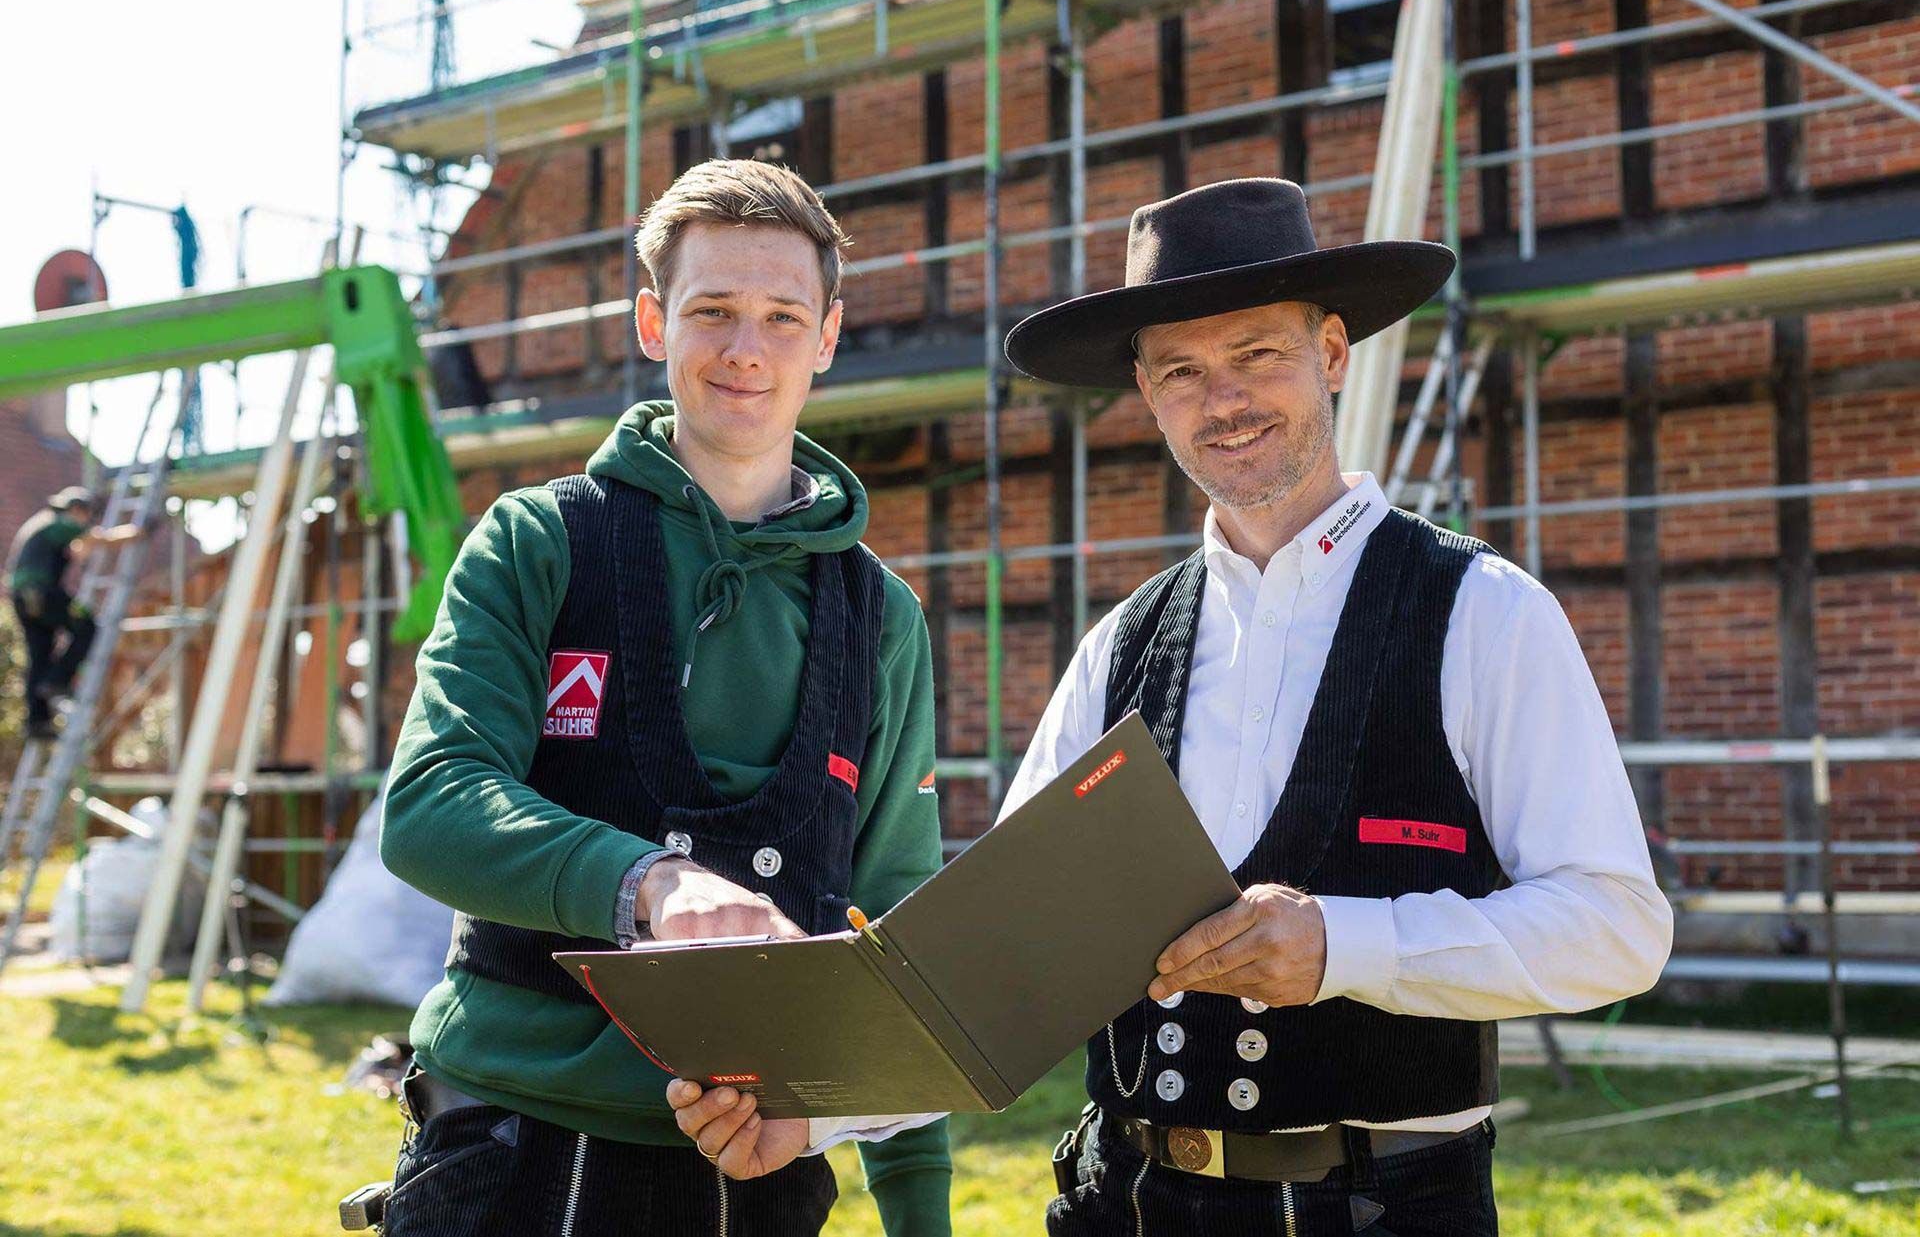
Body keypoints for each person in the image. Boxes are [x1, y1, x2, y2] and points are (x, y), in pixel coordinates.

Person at [999, 179, 1671, 1234]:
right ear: (1146, 391)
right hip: (1122, 1200)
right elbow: (1014, 935)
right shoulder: (1119, 643)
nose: (1223, 400)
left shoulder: (1484, 612)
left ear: (1332, 354)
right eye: (1182, 370)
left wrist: (1347, 948)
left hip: (1381, 1206)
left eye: (1257, 354)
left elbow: (1618, 931)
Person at [378, 159, 952, 1236]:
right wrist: (653, 884)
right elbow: (430, 806)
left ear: (826, 339)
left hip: (756, 1163)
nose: (747, 348)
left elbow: (899, 950)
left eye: (785, 316)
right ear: (653, 321)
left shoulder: (884, 621)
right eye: (713, 311)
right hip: (503, 1142)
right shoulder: (538, 541)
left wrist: (923, 1217)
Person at [6, 487, 141, 740]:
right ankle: (58, 680)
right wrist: (137, 533)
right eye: (85, 514)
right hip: (42, 594)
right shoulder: (59, 522)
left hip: (23, 599)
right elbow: (98, 538)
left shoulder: (40, 525)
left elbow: (78, 550)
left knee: (39, 656)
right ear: (76, 509)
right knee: (87, 626)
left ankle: (37, 722)